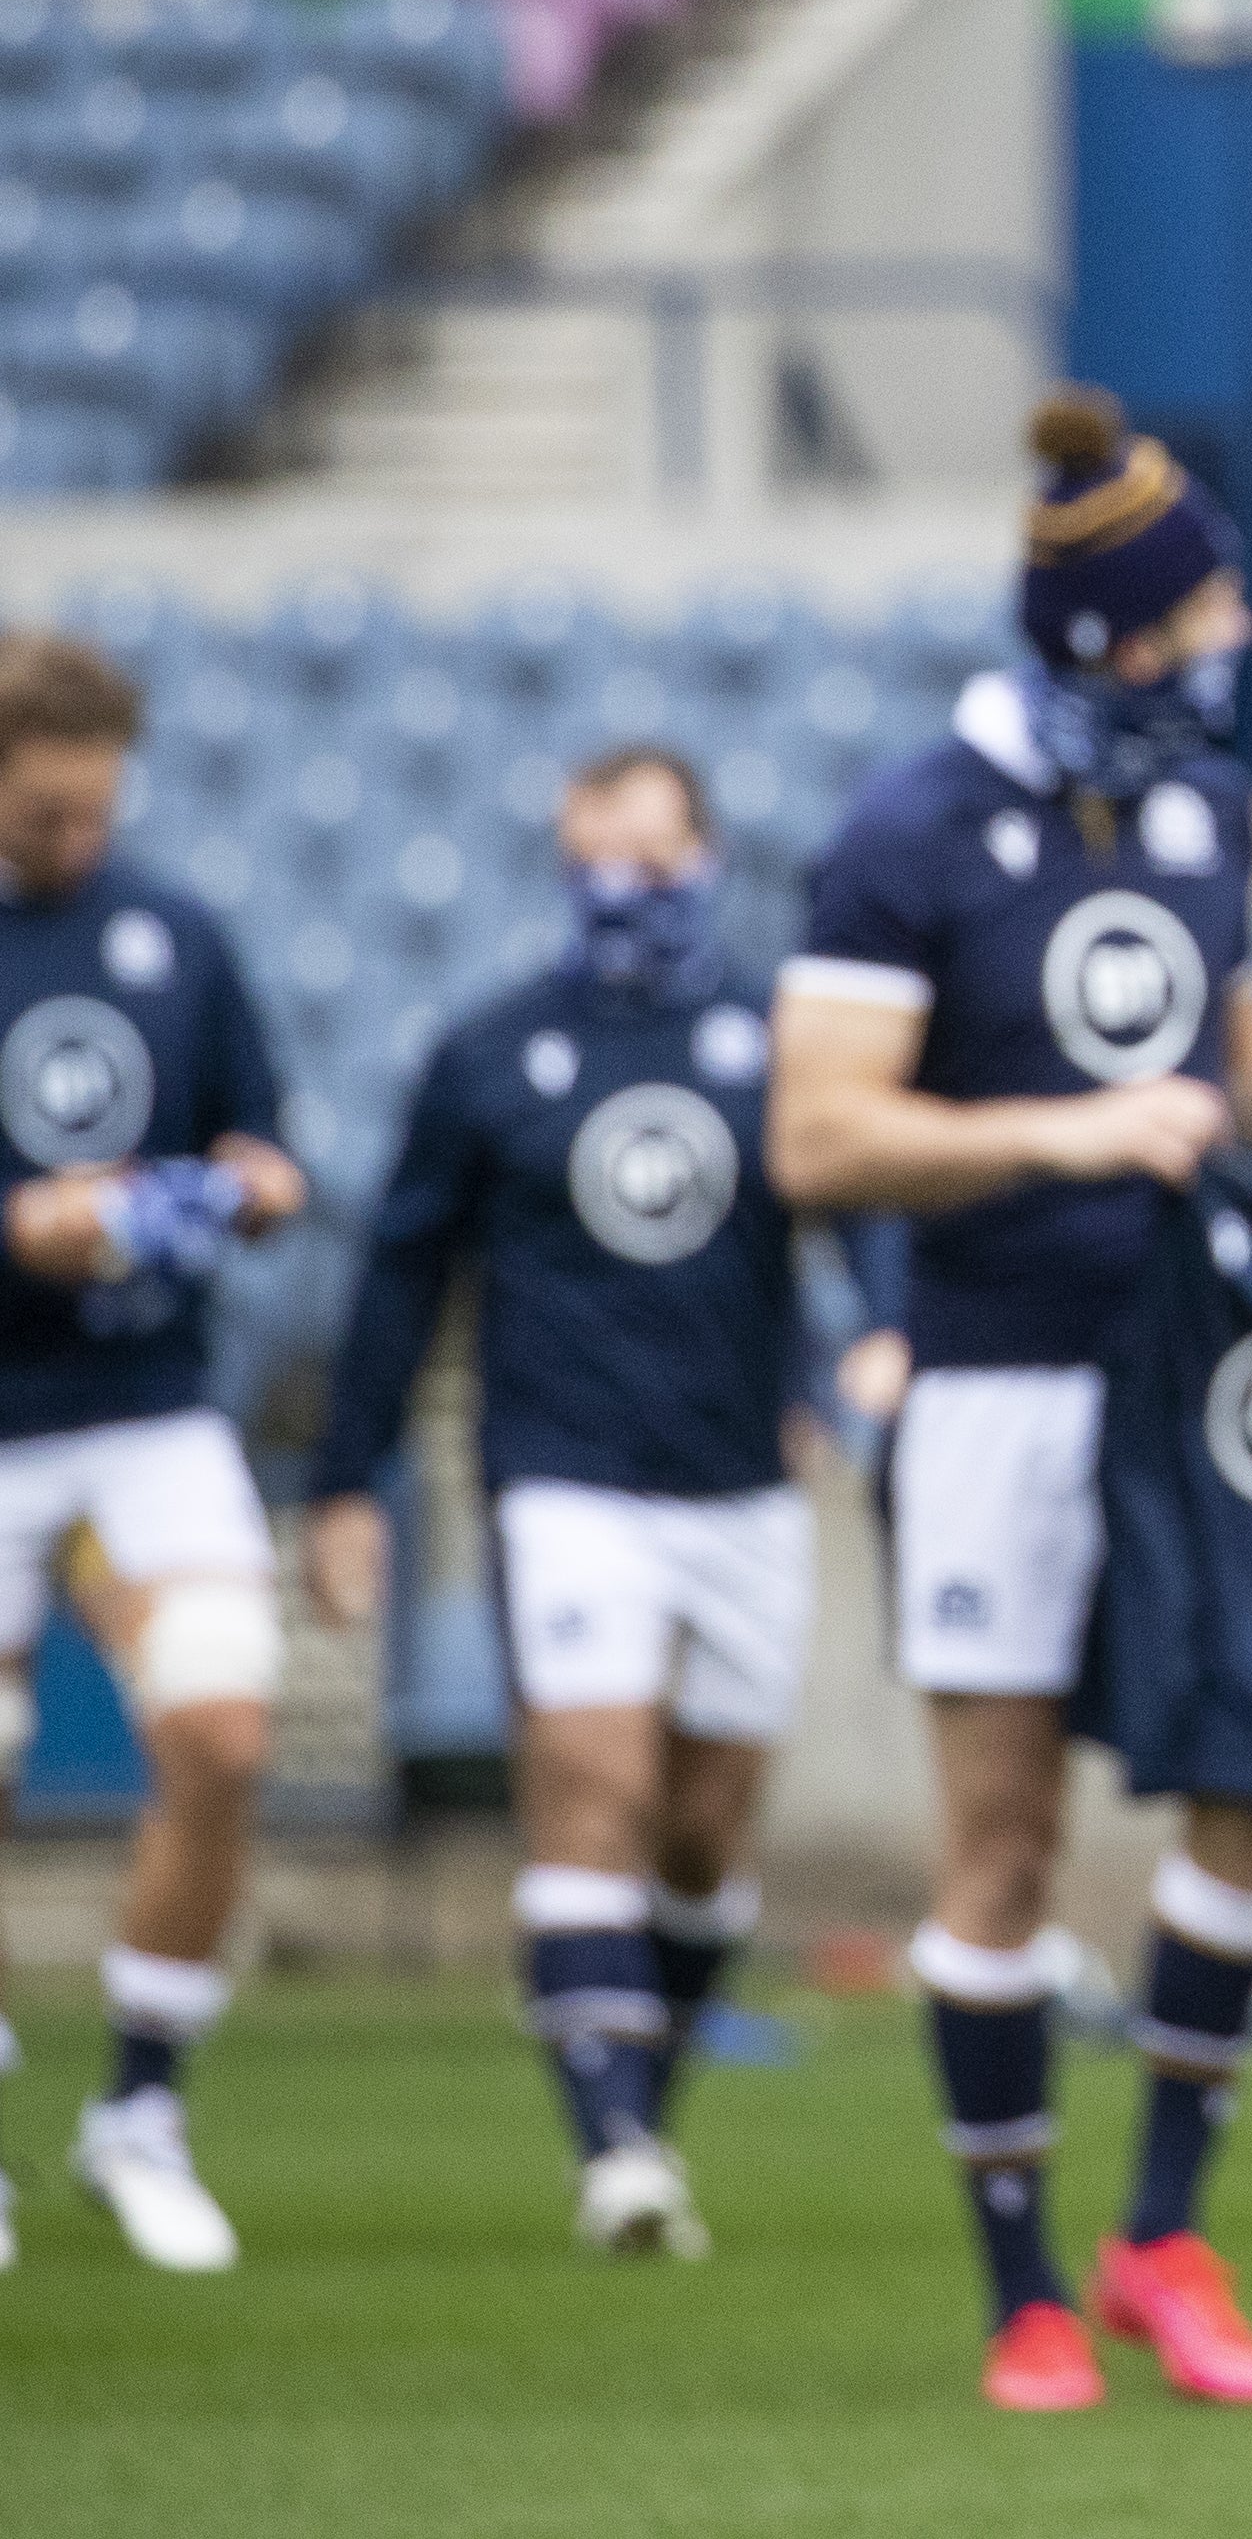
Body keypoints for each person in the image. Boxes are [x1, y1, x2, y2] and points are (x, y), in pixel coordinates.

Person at [767, 388, 1252, 2412]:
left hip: (1193, 1376)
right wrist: (1066, 1135)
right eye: (1208, 611)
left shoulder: (1206, 806)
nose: (1232, 639)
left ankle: (1162, 2230)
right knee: (1001, 1838)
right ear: (1118, 630)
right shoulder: (910, 827)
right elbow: (818, 1137)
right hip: (996, 1382)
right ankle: (1021, 2289)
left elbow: (1246, 1064)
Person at [305, 744, 801, 2261]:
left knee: (703, 1833)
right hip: (563, 1472)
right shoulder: (490, 1049)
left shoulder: (777, 1038)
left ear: (708, 860)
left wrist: (887, 1348)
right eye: (597, 860)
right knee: (594, 1782)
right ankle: (616, 2151)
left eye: (651, 859)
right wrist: (345, 1478)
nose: (623, 889)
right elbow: (401, 1273)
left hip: (742, 1480)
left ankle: (641, 2105)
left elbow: (862, 1215)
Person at [0, 631, 305, 2275]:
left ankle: (140, 2107)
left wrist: (247, 1186)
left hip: (146, 1403)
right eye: (44, 811)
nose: (76, 837)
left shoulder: (173, 930)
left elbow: (262, 1135)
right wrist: (21, 1229)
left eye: (96, 806)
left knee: (223, 1728)